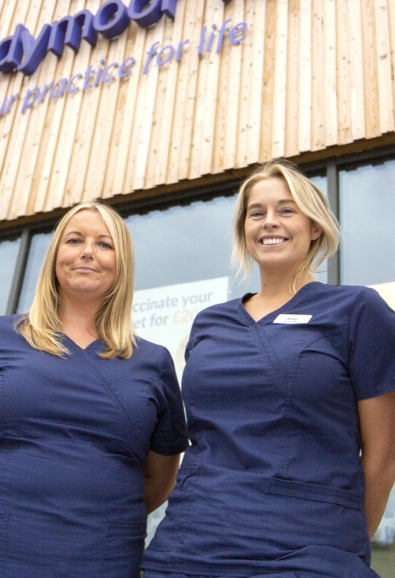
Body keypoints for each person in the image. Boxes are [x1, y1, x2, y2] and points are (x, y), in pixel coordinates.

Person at [143, 158, 395, 578]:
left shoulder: (357, 311)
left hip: (307, 551)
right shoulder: (211, 323)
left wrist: (342, 543)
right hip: (190, 547)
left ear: (315, 226)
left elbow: (383, 457)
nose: (269, 222)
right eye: (256, 213)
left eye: (286, 210)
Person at [0, 201, 188, 578]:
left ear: (122, 265)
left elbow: (160, 478)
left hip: (97, 565)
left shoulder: (152, 363)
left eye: (104, 244)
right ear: (55, 256)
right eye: (75, 240)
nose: (88, 251)